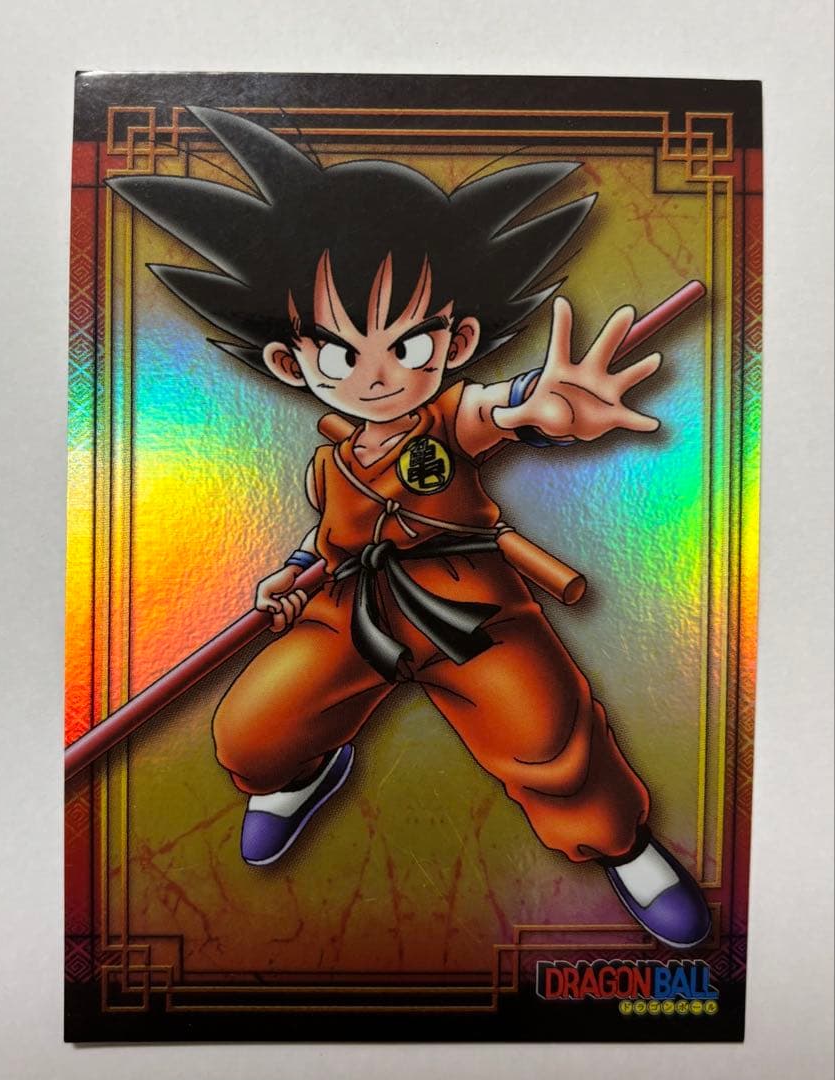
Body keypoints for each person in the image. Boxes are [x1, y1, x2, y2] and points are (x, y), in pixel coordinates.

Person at [108, 106, 711, 949]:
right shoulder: (331, 460)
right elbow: (329, 537)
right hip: (350, 611)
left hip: (474, 610)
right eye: (341, 352)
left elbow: (497, 411)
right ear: (290, 361)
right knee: (252, 731)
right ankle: (304, 776)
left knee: (550, 737)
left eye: (409, 343)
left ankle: (626, 849)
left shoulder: (448, 414)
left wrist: (540, 408)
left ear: (456, 340)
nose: (378, 373)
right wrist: (292, 574)